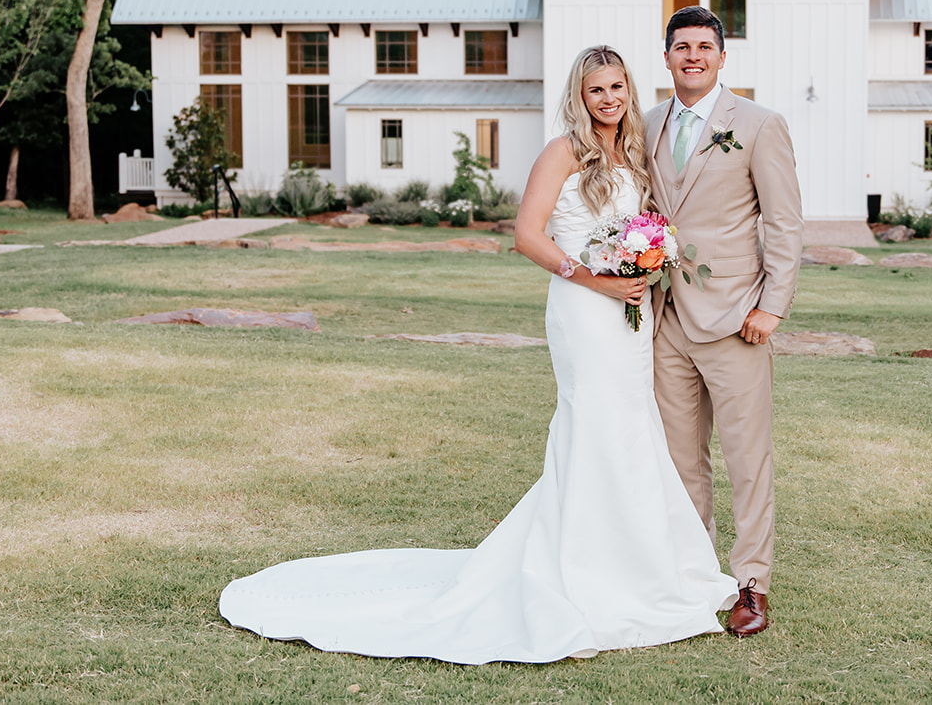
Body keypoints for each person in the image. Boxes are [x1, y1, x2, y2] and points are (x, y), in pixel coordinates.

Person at [218, 45, 736, 664]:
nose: (609, 99)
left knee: (631, 427)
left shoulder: (635, 151)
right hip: (583, 309)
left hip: (630, 313)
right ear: (580, 95)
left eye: (618, 87)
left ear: (629, 88)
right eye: (596, 89)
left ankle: (639, 566)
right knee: (594, 425)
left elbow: (644, 226)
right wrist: (598, 280)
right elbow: (526, 235)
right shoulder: (563, 152)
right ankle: (582, 571)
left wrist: (647, 263)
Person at [646, 5, 804, 638]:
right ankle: (694, 573)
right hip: (664, 318)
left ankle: (752, 583)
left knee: (746, 458)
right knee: (681, 459)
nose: (692, 56)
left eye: (704, 46)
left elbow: (785, 223)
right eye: (681, 47)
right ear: (666, 58)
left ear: (721, 56)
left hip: (738, 319)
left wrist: (772, 304)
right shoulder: (646, 123)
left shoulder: (760, 126)